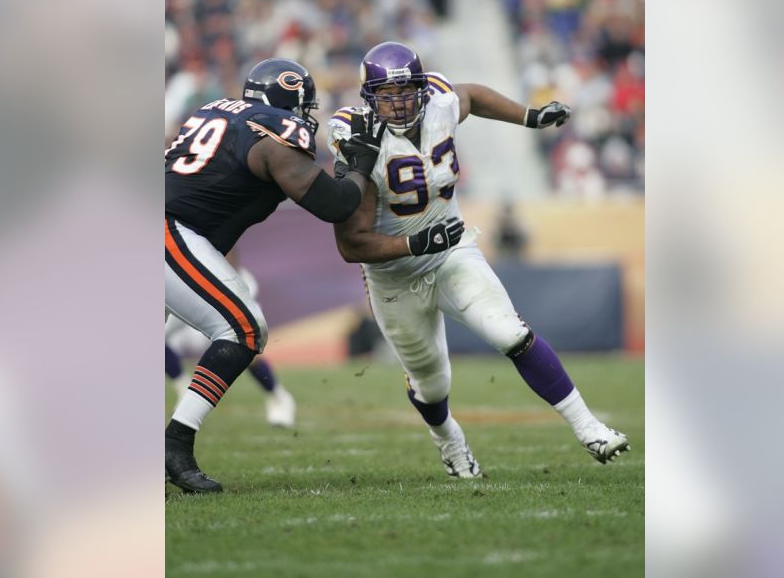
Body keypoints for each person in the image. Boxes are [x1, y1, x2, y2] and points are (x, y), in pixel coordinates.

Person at [327, 42, 630, 478]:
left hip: (451, 250)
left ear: (421, 89)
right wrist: (417, 243)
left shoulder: (440, 102)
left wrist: (530, 116)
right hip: (392, 276)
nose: (398, 103)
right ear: (369, 98)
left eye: (406, 92)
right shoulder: (358, 141)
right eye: (386, 96)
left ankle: (589, 428)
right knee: (433, 384)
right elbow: (351, 245)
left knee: (511, 333)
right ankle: (449, 442)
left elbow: (473, 95)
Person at [165, 57, 456, 493]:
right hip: (168, 231)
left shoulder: (217, 113)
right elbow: (335, 206)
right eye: (304, 107)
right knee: (243, 329)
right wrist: (359, 165)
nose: (305, 118)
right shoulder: (276, 133)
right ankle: (175, 445)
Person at [165, 260, 297, 429]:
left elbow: (227, 249)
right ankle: (183, 389)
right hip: (183, 284)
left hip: (221, 281)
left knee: (244, 345)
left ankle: (277, 396)